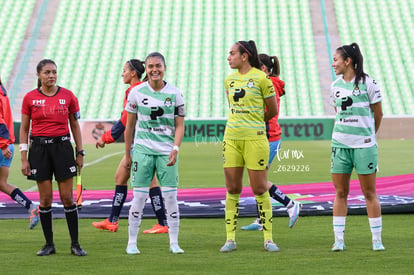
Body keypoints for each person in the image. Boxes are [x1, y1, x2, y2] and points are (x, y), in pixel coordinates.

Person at [92, 59, 168, 234]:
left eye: (124, 70)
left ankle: (162, 222)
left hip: (142, 144)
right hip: (149, 141)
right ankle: (112, 220)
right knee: (121, 178)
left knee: (148, 182)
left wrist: (106, 138)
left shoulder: (134, 91)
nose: (122, 73)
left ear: (133, 73)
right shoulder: (147, 88)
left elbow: (125, 120)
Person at [20, 59, 87, 256]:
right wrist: (24, 158)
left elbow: (75, 125)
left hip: (63, 148)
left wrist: (80, 152)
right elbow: (24, 129)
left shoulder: (68, 96)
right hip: (39, 150)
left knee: (67, 198)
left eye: (54, 72)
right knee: (46, 199)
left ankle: (75, 244)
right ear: (39, 75)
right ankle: (49, 244)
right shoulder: (29, 98)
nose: (51, 76)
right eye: (47, 72)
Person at [220, 40, 279, 253]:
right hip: (232, 139)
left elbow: (272, 110)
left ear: (244, 56)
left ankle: (268, 239)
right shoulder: (229, 80)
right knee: (233, 189)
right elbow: (232, 108)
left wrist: (253, 122)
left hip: (256, 140)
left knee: (260, 189)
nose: (229, 57)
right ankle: (230, 240)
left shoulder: (262, 78)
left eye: (232, 53)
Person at [124, 52, 185, 254]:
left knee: (170, 197)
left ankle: (174, 243)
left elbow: (179, 125)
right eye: (150, 66)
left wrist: (175, 148)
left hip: (167, 152)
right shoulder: (136, 92)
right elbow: (129, 127)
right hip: (142, 150)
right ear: (146, 69)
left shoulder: (175, 93)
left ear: (164, 67)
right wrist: (127, 154)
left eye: (158, 65)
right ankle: (132, 242)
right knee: (139, 197)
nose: (154, 70)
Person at [330, 43, 384, 251]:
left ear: (347, 61)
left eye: (336, 60)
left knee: (369, 193)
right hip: (339, 145)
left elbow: (378, 115)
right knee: (340, 192)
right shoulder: (335, 86)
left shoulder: (369, 83)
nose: (333, 63)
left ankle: (376, 240)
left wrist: (369, 136)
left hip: (364, 147)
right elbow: (338, 114)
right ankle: (339, 241)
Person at [241, 53, 302, 231]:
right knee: (258, 181)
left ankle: (290, 204)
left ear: (264, 69)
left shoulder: (269, 85)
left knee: (258, 182)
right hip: (265, 137)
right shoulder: (269, 83)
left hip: (267, 137)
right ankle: (262, 220)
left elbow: (268, 111)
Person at [0, 76, 39, 229]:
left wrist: (2, 145)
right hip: (7, 145)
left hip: (2, 145)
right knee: (2, 184)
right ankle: (31, 207)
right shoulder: (3, 93)